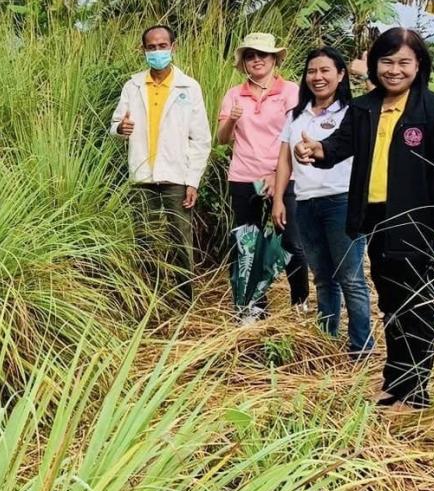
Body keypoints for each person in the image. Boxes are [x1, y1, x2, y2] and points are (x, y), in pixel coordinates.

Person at [296, 28, 434, 411]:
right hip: (377, 219)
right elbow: (339, 146)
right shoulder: (365, 107)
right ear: (374, 65)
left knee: (417, 304)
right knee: (390, 303)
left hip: (418, 222)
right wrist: (315, 150)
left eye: (404, 62)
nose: (394, 70)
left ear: (418, 65)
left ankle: (416, 393)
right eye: (386, 62)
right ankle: (396, 384)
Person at [272, 48, 375, 357]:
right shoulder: (295, 115)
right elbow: (283, 163)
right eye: (312, 71)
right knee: (323, 278)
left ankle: (361, 347)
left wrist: (365, 72)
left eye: (325, 70)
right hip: (305, 204)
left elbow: (381, 99)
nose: (318, 77)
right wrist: (278, 199)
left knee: (351, 278)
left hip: (342, 201)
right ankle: (327, 341)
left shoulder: (353, 112)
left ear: (340, 74)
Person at [109, 25, 211, 299]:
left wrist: (193, 181)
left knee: (180, 239)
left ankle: (183, 299)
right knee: (144, 238)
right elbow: (116, 124)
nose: (157, 52)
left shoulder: (188, 87)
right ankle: (147, 296)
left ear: (173, 47)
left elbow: (201, 139)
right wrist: (121, 129)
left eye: (162, 46)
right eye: (151, 48)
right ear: (143, 50)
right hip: (142, 175)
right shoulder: (133, 86)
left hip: (176, 176)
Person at [217, 31, 309, 317]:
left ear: (274, 59)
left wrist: (276, 174)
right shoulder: (234, 94)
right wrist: (231, 119)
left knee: (291, 239)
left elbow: (295, 137)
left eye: (262, 55)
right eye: (250, 56)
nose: (256, 60)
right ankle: (254, 304)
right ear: (243, 62)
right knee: (248, 242)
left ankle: (300, 302)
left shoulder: (291, 91)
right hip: (244, 176)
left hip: (284, 175)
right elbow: (222, 139)